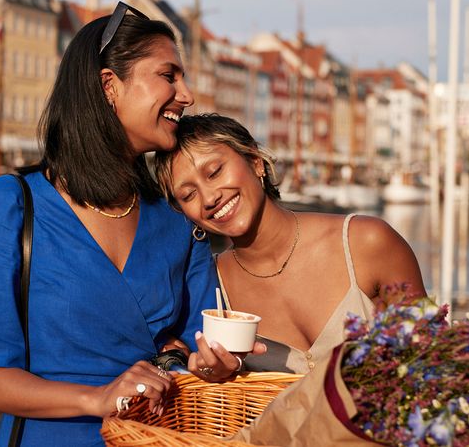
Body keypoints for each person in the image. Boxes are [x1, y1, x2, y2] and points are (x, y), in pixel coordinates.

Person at [0, 4, 241, 446]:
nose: (186, 94)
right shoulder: (10, 205)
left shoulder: (177, 221)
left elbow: (194, 347)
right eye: (169, 75)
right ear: (110, 85)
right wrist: (97, 398)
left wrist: (204, 363)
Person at [152, 114, 427, 375]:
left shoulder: (365, 243)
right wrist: (200, 367)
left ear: (255, 161)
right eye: (189, 195)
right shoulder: (210, 287)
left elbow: (436, 360)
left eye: (215, 172)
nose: (209, 197)